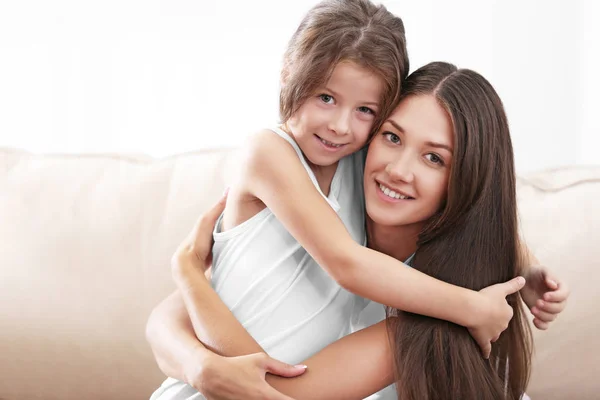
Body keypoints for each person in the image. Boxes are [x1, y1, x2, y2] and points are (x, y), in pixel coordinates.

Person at [148, 62, 569, 400]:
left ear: (467, 179)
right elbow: (173, 314)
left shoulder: (431, 315)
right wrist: (197, 357)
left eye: (434, 159)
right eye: (391, 137)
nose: (398, 170)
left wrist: (517, 268)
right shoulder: (328, 201)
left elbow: (265, 391)